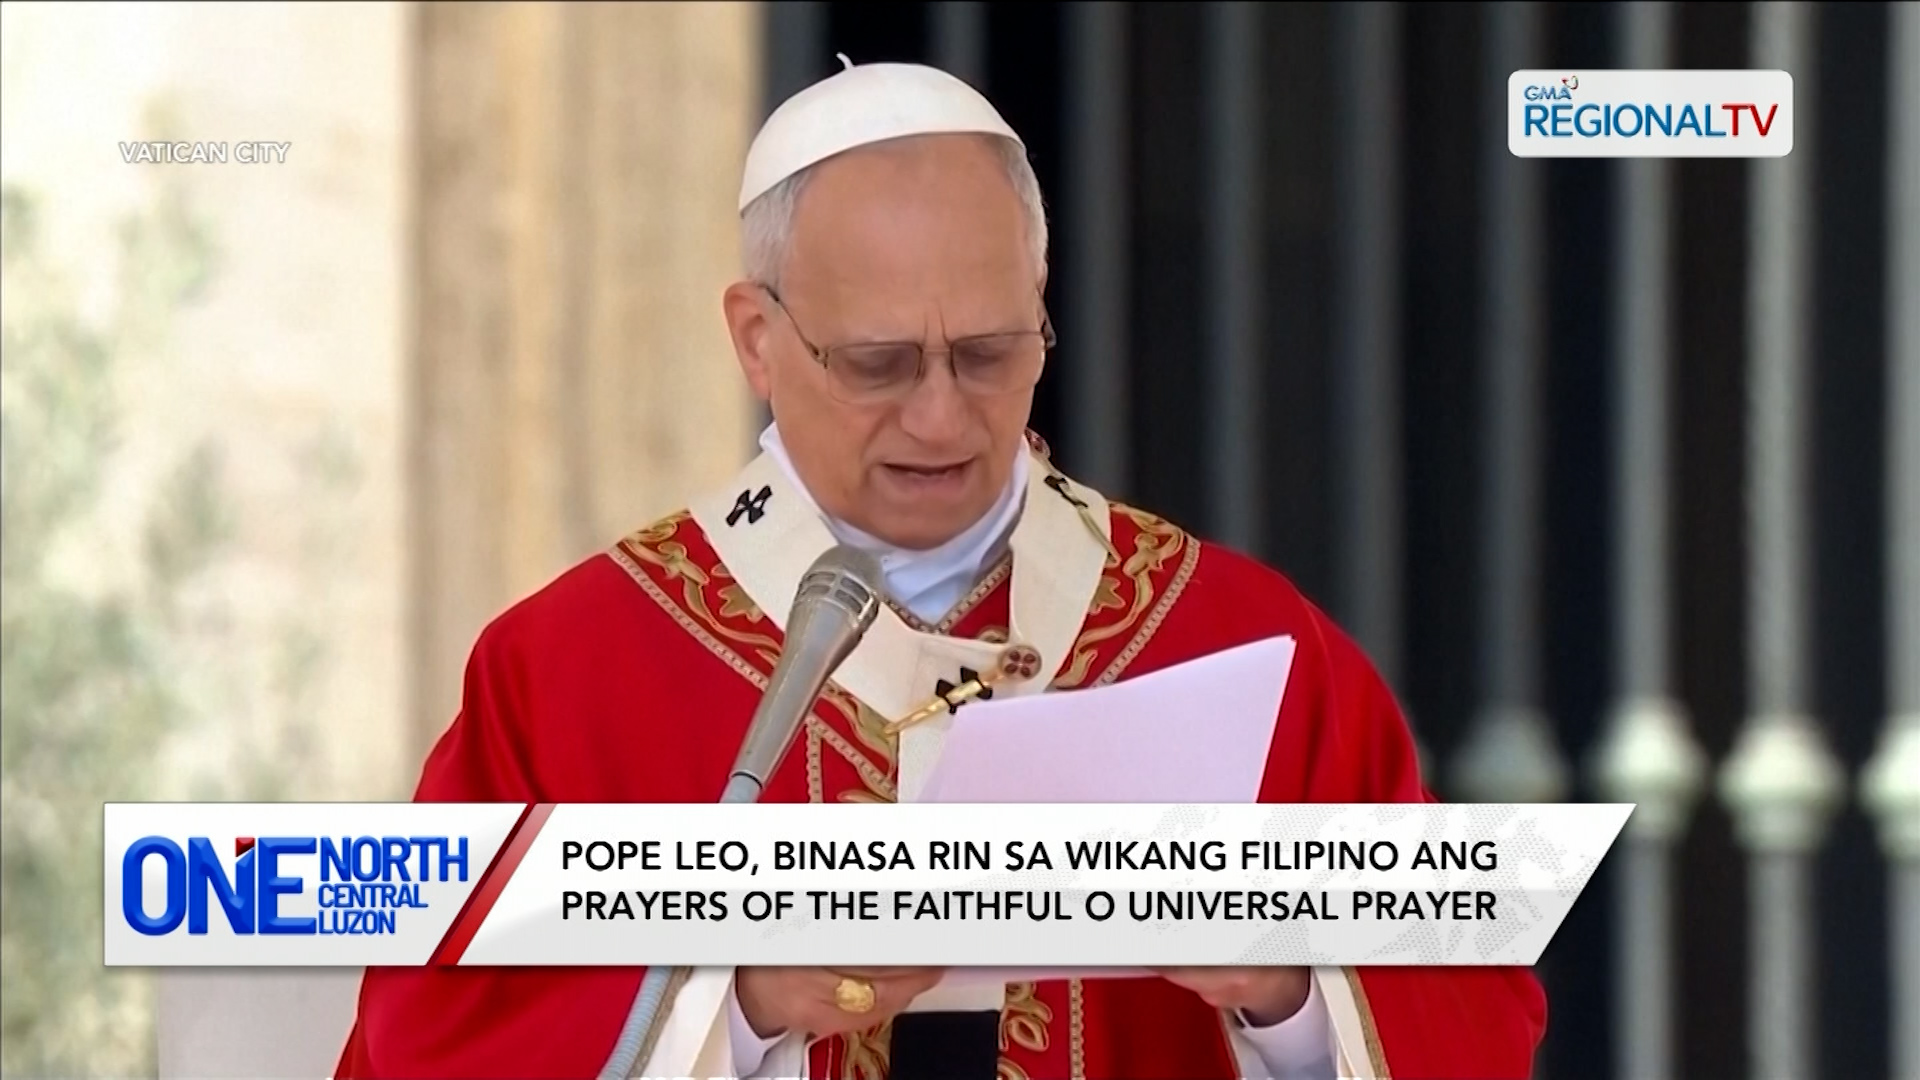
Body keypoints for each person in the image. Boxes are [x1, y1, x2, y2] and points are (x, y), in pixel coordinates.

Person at [334, 58, 1545, 1080]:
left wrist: (1289, 983)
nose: (939, 419)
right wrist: (737, 996)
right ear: (758, 339)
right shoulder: (576, 669)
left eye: (988, 352)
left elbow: (1474, 1007)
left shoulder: (1234, 639)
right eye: (876, 362)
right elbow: (431, 1034)